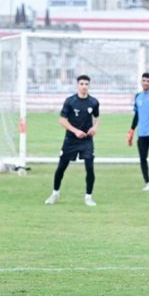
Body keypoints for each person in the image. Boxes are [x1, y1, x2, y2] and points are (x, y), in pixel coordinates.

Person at [45, 75, 100, 206]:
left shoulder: (93, 102)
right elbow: (62, 120)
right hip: (70, 140)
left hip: (86, 141)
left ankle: (88, 197)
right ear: (77, 85)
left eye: (86, 84)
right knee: (61, 167)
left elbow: (97, 118)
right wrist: (75, 131)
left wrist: (94, 128)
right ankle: (55, 193)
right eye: (81, 84)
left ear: (89, 85)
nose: (84, 86)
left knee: (90, 167)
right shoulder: (70, 101)